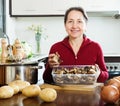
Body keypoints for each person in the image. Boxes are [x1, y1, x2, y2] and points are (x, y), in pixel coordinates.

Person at [43, 6, 109, 84]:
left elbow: (105, 76)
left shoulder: (95, 47)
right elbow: (46, 78)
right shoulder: (56, 48)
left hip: (88, 94)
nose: (74, 26)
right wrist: (50, 68)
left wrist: (99, 73)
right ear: (65, 25)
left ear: (85, 25)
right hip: (63, 94)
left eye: (79, 21)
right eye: (70, 21)